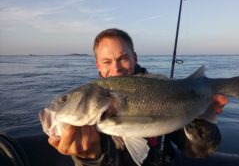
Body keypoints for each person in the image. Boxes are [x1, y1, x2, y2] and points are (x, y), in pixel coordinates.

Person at [48, 28, 228, 166]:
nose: (116, 68)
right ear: (98, 66)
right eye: (107, 61)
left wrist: (199, 119)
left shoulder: (163, 90)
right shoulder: (88, 108)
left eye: (123, 58)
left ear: (134, 57)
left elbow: (201, 150)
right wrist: (91, 158)